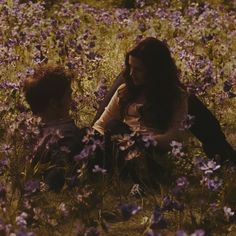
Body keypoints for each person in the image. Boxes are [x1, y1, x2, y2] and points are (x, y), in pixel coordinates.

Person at [93, 37, 236, 166]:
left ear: (154, 71)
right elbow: (100, 125)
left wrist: (140, 140)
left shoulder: (176, 96)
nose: (131, 74)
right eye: (130, 67)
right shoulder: (125, 90)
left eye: (138, 69)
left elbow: (170, 139)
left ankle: (225, 157)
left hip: (149, 149)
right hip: (120, 146)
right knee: (111, 128)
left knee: (118, 132)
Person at [23, 65, 86, 191]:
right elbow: (55, 180)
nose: (71, 100)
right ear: (53, 103)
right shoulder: (68, 135)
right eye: (68, 95)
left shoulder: (27, 131)